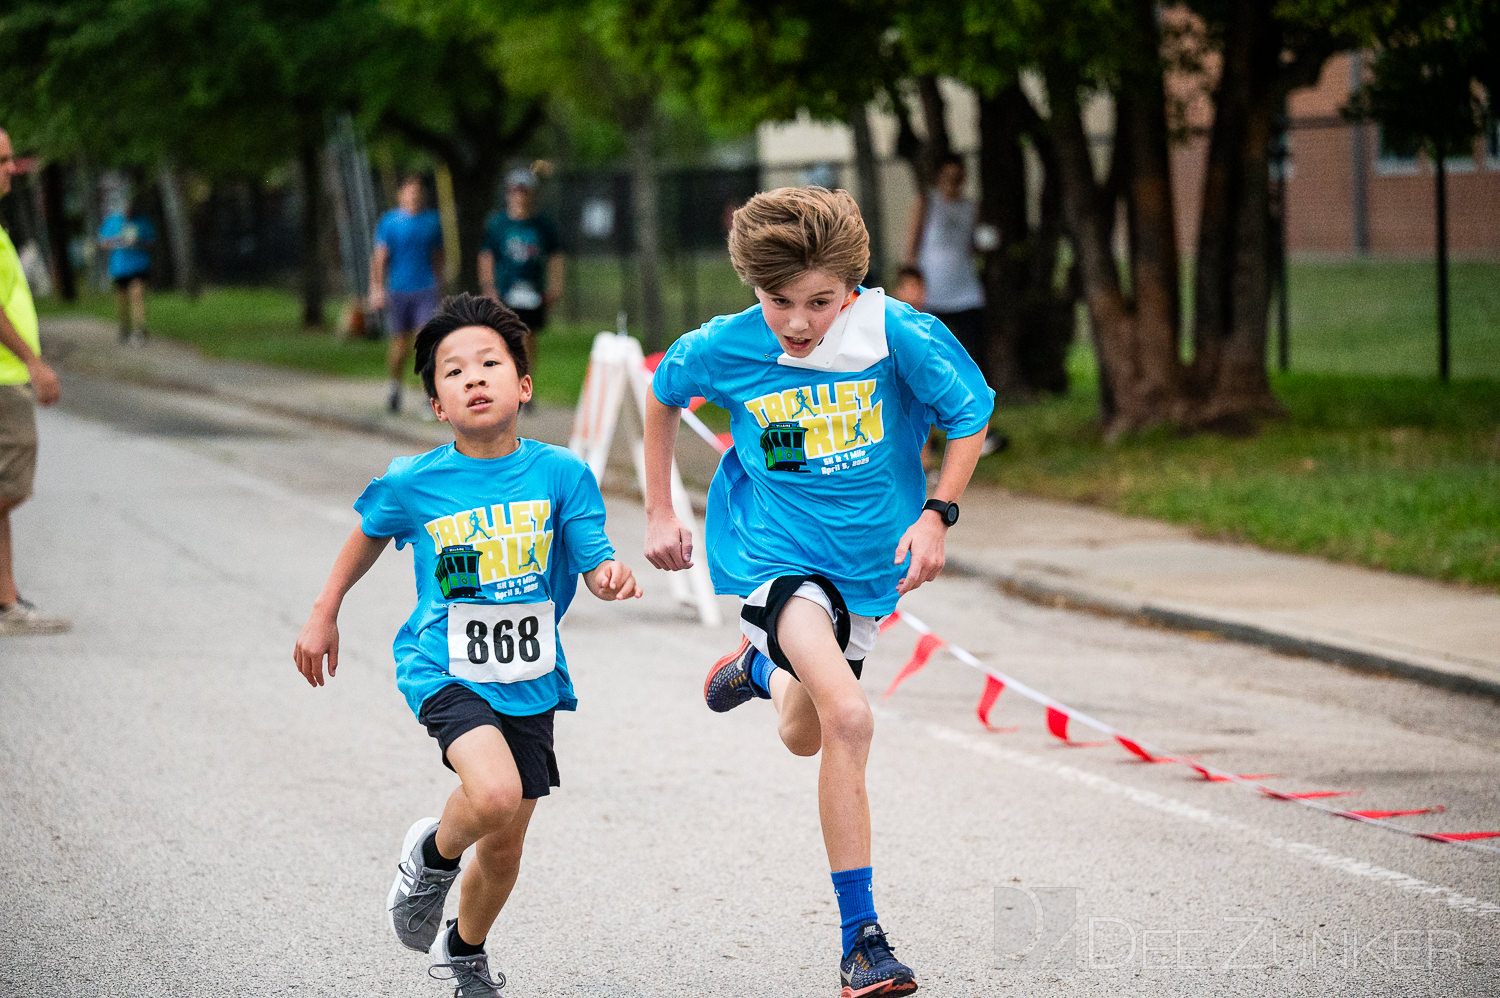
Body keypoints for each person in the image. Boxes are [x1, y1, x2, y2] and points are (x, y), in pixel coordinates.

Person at [644, 187, 993, 997]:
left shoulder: (895, 332)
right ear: (752, 289)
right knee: (849, 716)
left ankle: (759, 673)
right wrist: (662, 508)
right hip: (774, 555)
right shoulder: (725, 347)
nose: (798, 323)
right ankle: (862, 941)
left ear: (851, 284)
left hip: (870, 571)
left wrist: (938, 515)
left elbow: (968, 415)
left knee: (804, 730)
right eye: (778, 303)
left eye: (819, 302)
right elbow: (664, 392)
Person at [293, 293, 641, 996]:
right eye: (454, 372)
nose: (474, 377)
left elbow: (593, 549)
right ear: (437, 405)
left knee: (507, 845)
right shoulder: (414, 483)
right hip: (442, 664)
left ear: (524, 384)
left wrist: (607, 575)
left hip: (531, 676)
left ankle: (466, 949)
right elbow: (364, 535)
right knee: (491, 793)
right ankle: (430, 853)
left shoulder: (561, 474)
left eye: (490, 363)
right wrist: (324, 611)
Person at [0, 127, 69, 637]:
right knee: (11, 485)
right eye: (1, 161)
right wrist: (35, 362)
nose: (10, 169)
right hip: (4, 378)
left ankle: (6, 602)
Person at [479, 168, 564, 387]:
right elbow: (486, 256)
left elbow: (555, 255)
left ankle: (525, 381)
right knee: (504, 336)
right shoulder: (498, 224)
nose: (519, 196)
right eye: (515, 191)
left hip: (533, 290)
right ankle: (505, 382)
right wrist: (489, 287)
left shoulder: (542, 225)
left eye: (524, 191)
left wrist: (556, 285)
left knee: (528, 337)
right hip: (506, 289)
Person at [370, 173, 445, 413]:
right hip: (399, 290)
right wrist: (376, 288)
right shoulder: (390, 222)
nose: (414, 195)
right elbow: (380, 258)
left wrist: (440, 286)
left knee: (425, 342)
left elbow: (438, 257)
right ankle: (395, 386)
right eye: (409, 190)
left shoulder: (432, 222)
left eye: (418, 190)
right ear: (401, 193)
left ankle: (428, 396)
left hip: (425, 289)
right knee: (400, 345)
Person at [97, 194, 157, 346]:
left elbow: (151, 241)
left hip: (139, 264)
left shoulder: (142, 221)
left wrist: (138, 241)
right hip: (120, 267)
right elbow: (102, 242)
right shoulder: (113, 221)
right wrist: (116, 241)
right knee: (122, 300)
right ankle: (125, 326)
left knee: (137, 295)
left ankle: (140, 329)